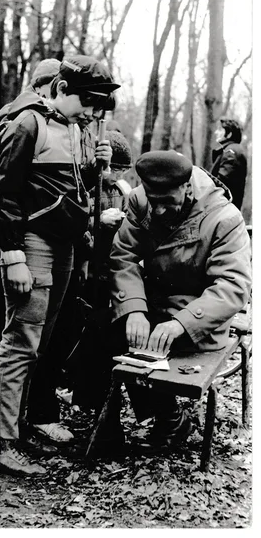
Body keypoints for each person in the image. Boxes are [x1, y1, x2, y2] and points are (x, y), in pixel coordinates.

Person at [0, 55, 119, 476]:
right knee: (22, 338)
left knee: (42, 340)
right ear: (60, 89)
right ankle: (0, 441)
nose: (95, 113)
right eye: (89, 102)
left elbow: (73, 189)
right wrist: (13, 255)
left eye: (100, 106)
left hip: (66, 244)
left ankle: (19, 429)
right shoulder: (27, 123)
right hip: (32, 243)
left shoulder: (76, 129)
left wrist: (100, 164)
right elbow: (2, 191)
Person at [99, 150, 251, 456]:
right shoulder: (141, 200)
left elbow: (232, 287)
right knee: (104, 327)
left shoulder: (224, 218)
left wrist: (181, 322)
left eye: (167, 202)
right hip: (153, 306)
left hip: (197, 319)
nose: (157, 211)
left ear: (188, 188)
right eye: (152, 202)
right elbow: (123, 256)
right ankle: (109, 425)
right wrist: (133, 309)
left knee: (151, 344)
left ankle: (169, 419)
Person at [26, 129, 133, 443]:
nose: (115, 177)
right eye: (112, 170)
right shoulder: (81, 183)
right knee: (54, 339)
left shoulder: (121, 190)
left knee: (82, 336)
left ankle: (77, 397)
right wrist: (94, 225)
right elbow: (69, 222)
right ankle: (40, 412)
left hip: (95, 273)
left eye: (120, 172)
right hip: (69, 267)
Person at [0, 59, 61, 373]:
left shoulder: (30, 112)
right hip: (0, 215)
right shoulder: (19, 114)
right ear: (39, 85)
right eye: (51, 87)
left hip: (9, 213)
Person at [210, 118, 247, 210]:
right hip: (224, 208)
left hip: (222, 209)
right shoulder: (231, 150)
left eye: (219, 130)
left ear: (229, 134)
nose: (216, 132)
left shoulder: (231, 151)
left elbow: (222, 183)